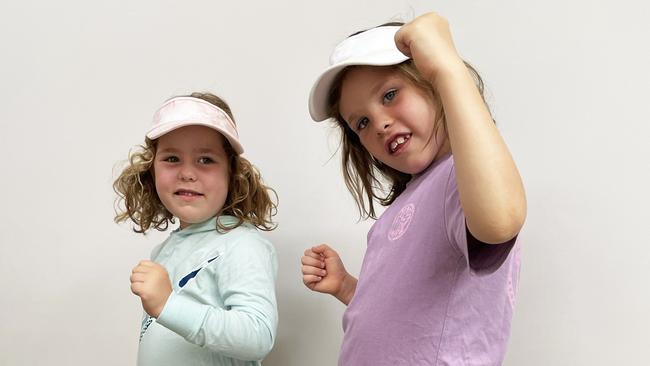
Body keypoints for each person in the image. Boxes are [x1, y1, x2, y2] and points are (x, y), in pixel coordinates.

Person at [301, 12, 527, 365]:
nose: (379, 123)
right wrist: (347, 287)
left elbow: (499, 221)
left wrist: (448, 68)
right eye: (361, 122)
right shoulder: (398, 212)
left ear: (432, 83)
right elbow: (404, 314)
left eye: (390, 94)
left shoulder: (461, 179)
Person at [114, 92, 278, 366]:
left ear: (232, 173)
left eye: (205, 159)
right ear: (151, 170)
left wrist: (169, 305)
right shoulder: (164, 250)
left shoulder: (241, 244)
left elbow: (258, 335)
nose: (187, 173)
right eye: (172, 158)